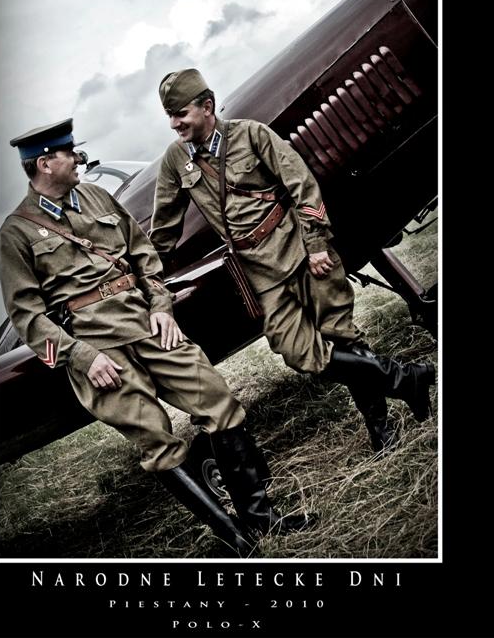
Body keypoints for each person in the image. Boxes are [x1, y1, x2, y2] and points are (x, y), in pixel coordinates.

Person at [0, 118, 314, 558]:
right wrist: (81, 358)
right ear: (45, 164)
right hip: (99, 351)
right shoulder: (15, 233)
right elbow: (28, 318)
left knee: (218, 401)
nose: (78, 158)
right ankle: (237, 540)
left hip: (147, 324)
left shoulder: (98, 197)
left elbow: (144, 256)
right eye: (69, 153)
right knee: (158, 443)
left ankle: (262, 518)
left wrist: (162, 307)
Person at [150, 69, 436, 453]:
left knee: (341, 335)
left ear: (207, 106)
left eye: (180, 114)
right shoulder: (176, 160)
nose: (174, 124)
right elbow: (163, 233)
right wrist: (145, 279)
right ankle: (405, 378)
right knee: (295, 349)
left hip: (301, 249)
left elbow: (302, 184)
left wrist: (316, 244)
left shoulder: (251, 135)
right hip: (260, 271)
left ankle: (381, 430)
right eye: (169, 116)